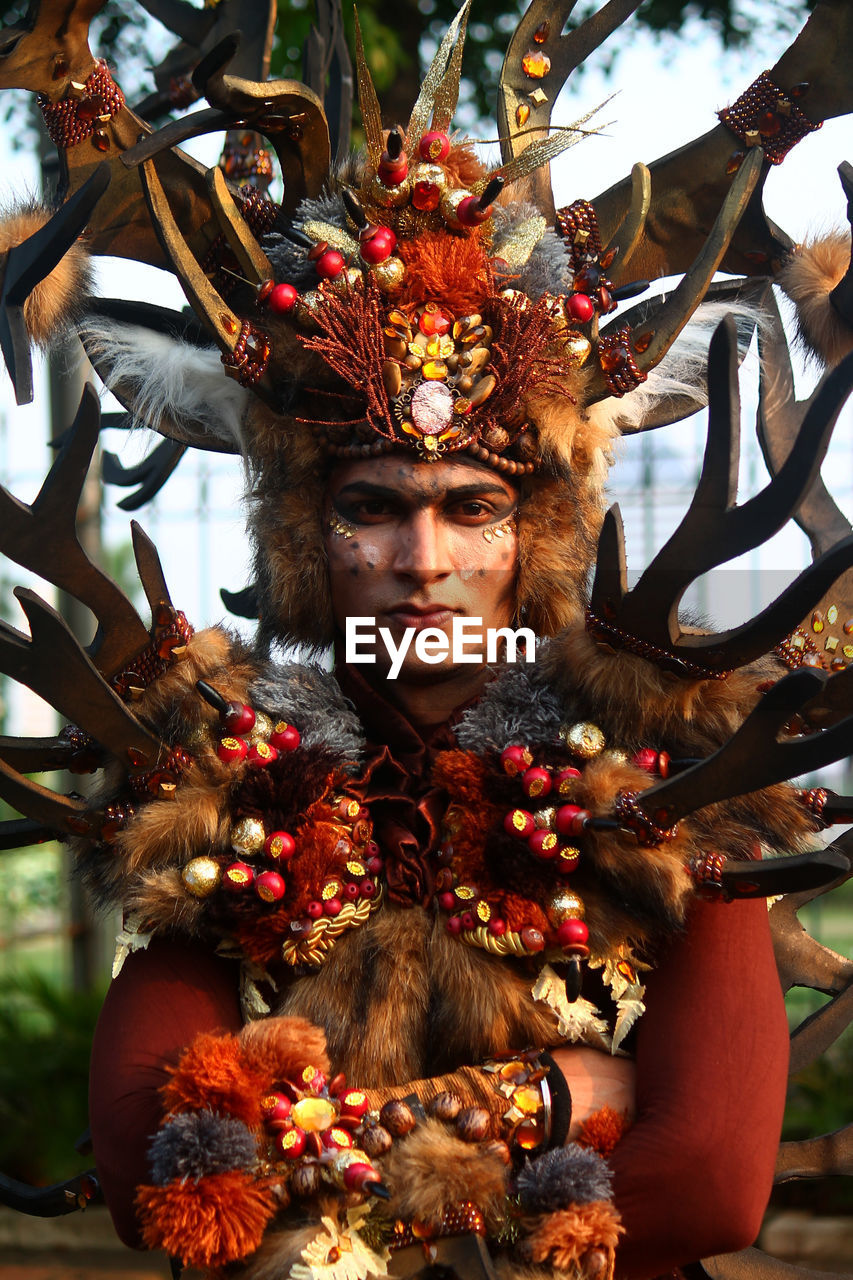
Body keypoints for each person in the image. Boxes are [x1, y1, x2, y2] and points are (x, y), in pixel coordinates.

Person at [0, 1, 850, 1277]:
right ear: (302, 525)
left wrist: (379, 1135)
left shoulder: (678, 765)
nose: (423, 563)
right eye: (370, 508)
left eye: (474, 507)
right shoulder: (214, 777)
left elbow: (710, 1181)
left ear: (540, 528)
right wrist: (572, 1096)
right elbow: (157, 1158)